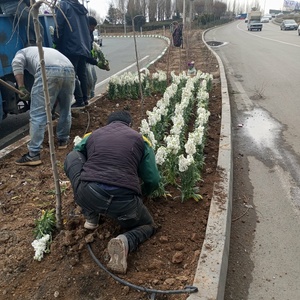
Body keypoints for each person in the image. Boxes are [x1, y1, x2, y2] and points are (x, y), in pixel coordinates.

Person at [64, 110, 161, 274]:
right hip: (124, 203)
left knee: (72, 156)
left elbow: (77, 153)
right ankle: (125, 240)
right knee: (148, 225)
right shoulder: (141, 140)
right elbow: (153, 180)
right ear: (130, 125)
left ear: (108, 123)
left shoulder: (93, 134)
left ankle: (91, 216)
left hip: (89, 194)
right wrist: (142, 195)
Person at [12, 47, 75, 166]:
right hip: (69, 69)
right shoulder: (43, 50)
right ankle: (63, 141)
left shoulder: (21, 53)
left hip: (48, 69)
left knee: (38, 114)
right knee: (65, 110)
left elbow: (16, 63)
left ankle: (33, 154)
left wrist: (21, 87)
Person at [53, 0, 91, 108]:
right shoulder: (80, 8)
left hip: (70, 45)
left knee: (71, 74)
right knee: (82, 74)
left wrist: (56, 41)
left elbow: (59, 25)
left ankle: (79, 100)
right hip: (83, 45)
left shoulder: (63, 5)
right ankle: (85, 98)